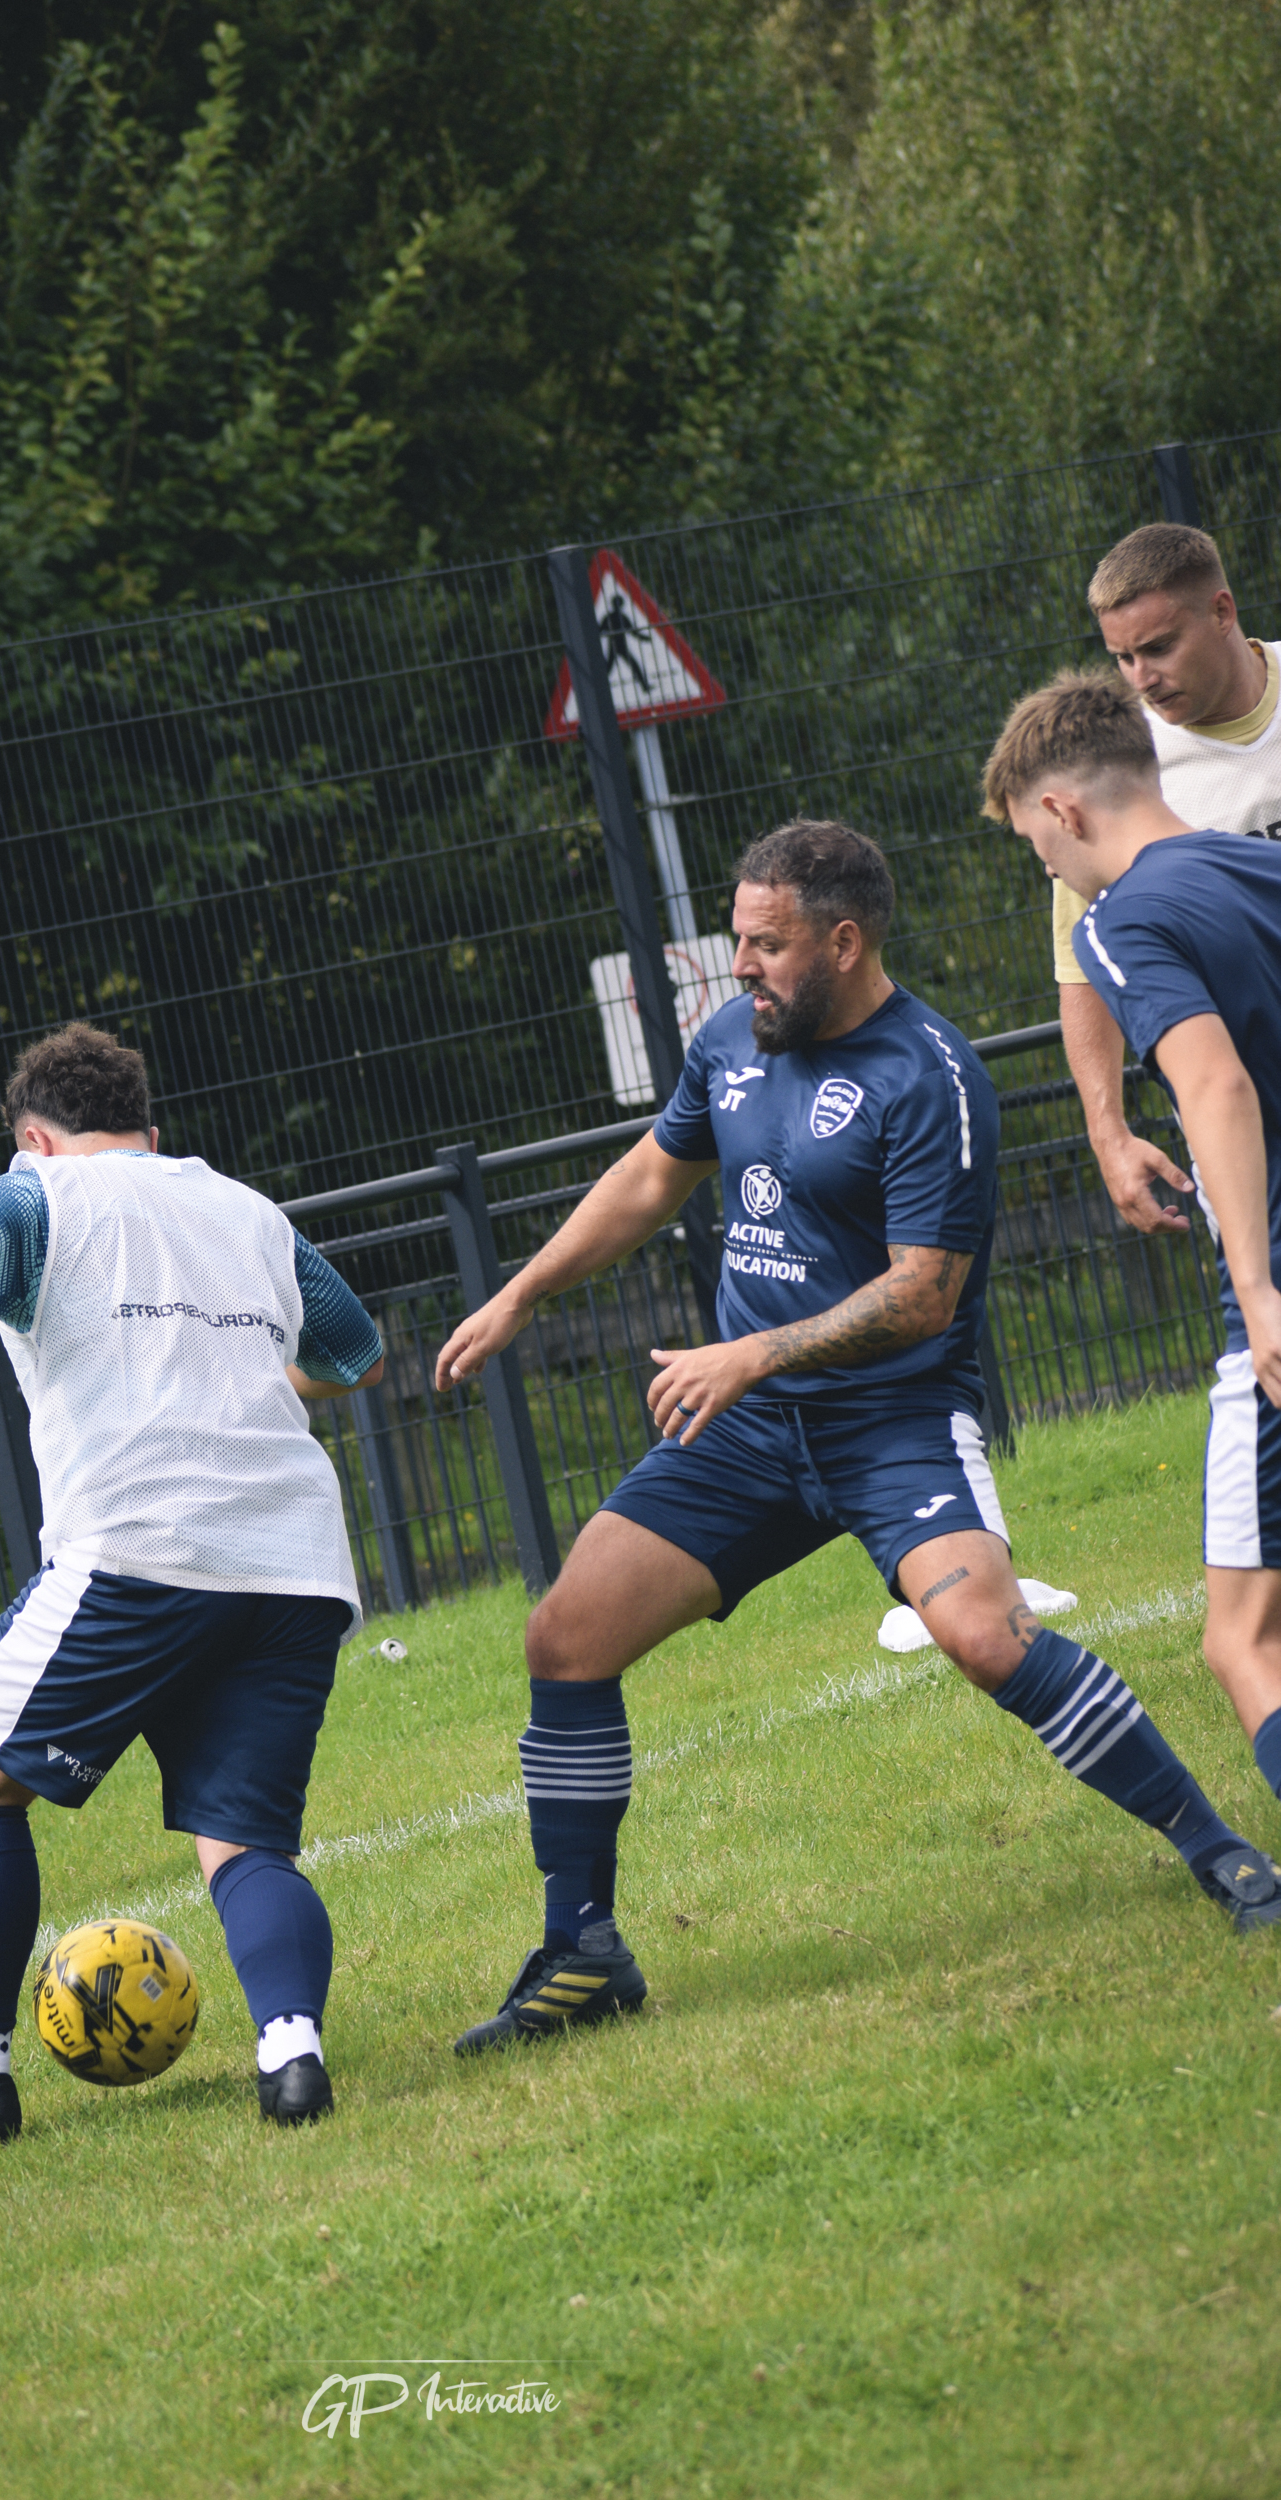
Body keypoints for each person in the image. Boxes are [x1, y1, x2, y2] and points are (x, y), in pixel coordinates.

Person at [433, 818, 1281, 2055]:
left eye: (766, 943)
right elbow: (648, 1177)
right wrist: (518, 1293)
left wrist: (753, 1351)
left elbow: (921, 1294)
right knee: (564, 1637)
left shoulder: (927, 1074)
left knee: (985, 1638)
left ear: (842, 940)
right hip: (745, 1430)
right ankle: (582, 1952)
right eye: (737, 938)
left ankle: (1221, 1854)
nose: (742, 966)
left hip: (893, 1420)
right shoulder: (727, 1042)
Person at [0, 1022, 383, 2144]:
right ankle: (292, 2054)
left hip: (138, 1549)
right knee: (243, 1838)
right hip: (293, 1560)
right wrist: (239, 1392)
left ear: (34, 1138)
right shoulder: (244, 1209)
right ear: (152, 1131)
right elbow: (351, 1350)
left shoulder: (37, 1196)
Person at [989, 669, 1281, 1846]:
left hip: (1271, 1293)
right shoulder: (1260, 864)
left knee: (1240, 1637)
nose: (1041, 868)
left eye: (1028, 842)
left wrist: (1256, 1290)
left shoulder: (1118, 920)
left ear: (1061, 809)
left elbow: (1209, 1082)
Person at [1055, 523, 1281, 1238]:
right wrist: (1107, 1132)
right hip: (1250, 1131)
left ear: (1221, 612)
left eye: (1156, 648)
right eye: (1120, 657)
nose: (1140, 678)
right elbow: (1081, 961)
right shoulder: (1120, 765)